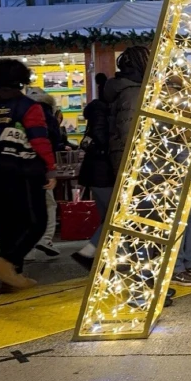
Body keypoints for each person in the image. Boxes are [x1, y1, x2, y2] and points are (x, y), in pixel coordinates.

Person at [0, 59, 57, 289]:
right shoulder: (29, 106)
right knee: (35, 222)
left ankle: (11, 277)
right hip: (24, 172)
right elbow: (39, 139)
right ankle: (6, 262)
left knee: (5, 223)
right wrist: (50, 169)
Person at [71, 73, 116, 271]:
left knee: (109, 216)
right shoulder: (103, 111)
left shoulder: (98, 109)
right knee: (113, 218)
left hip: (97, 171)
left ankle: (100, 256)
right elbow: (101, 137)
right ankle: (88, 252)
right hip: (103, 171)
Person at [25, 85, 62, 258]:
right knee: (48, 203)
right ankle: (45, 238)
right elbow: (48, 142)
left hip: (19, 166)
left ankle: (26, 245)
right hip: (40, 166)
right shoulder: (47, 114)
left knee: (26, 205)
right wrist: (51, 169)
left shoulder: (19, 111)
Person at [104, 46, 150, 177]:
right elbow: (129, 132)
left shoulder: (125, 88)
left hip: (124, 156)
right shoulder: (133, 92)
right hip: (134, 160)